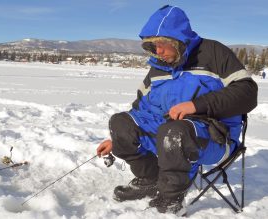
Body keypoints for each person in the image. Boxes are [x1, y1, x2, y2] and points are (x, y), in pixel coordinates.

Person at [96, 5, 258, 215]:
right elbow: (141, 109)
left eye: (162, 44)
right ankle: (149, 179)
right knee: (122, 123)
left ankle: (170, 197)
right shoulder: (158, 67)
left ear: (178, 40)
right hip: (168, 132)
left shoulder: (213, 53)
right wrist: (118, 140)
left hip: (214, 136)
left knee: (174, 132)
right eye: (152, 47)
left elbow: (247, 92)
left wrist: (197, 105)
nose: (158, 51)